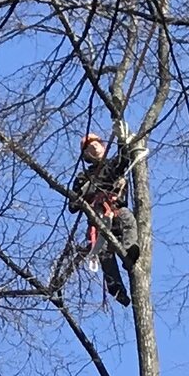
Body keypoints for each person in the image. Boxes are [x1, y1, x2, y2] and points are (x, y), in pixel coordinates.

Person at [67, 129, 135, 305]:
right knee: (103, 251)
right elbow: (73, 206)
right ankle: (116, 288)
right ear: (86, 155)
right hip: (99, 218)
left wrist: (122, 139)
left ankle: (130, 252)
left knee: (128, 218)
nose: (95, 148)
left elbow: (124, 159)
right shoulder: (84, 177)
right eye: (90, 147)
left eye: (97, 144)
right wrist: (87, 190)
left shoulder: (112, 166)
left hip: (116, 211)